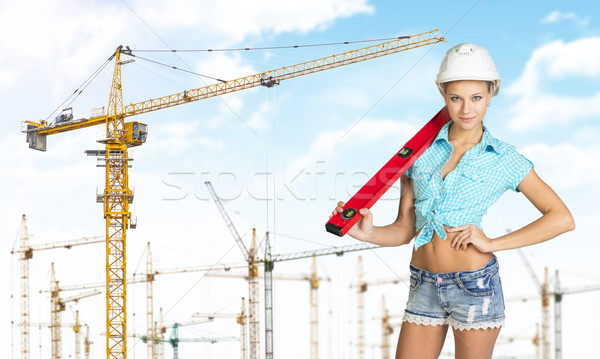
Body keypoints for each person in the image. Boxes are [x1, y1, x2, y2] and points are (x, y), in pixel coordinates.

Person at [330, 43, 575, 359]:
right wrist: (369, 233)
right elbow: (406, 229)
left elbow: (562, 218)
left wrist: (492, 243)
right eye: (455, 98)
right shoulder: (419, 152)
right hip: (423, 283)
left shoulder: (505, 159)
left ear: (490, 94)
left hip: (474, 286)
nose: (466, 109)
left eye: (476, 98)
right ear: (443, 95)